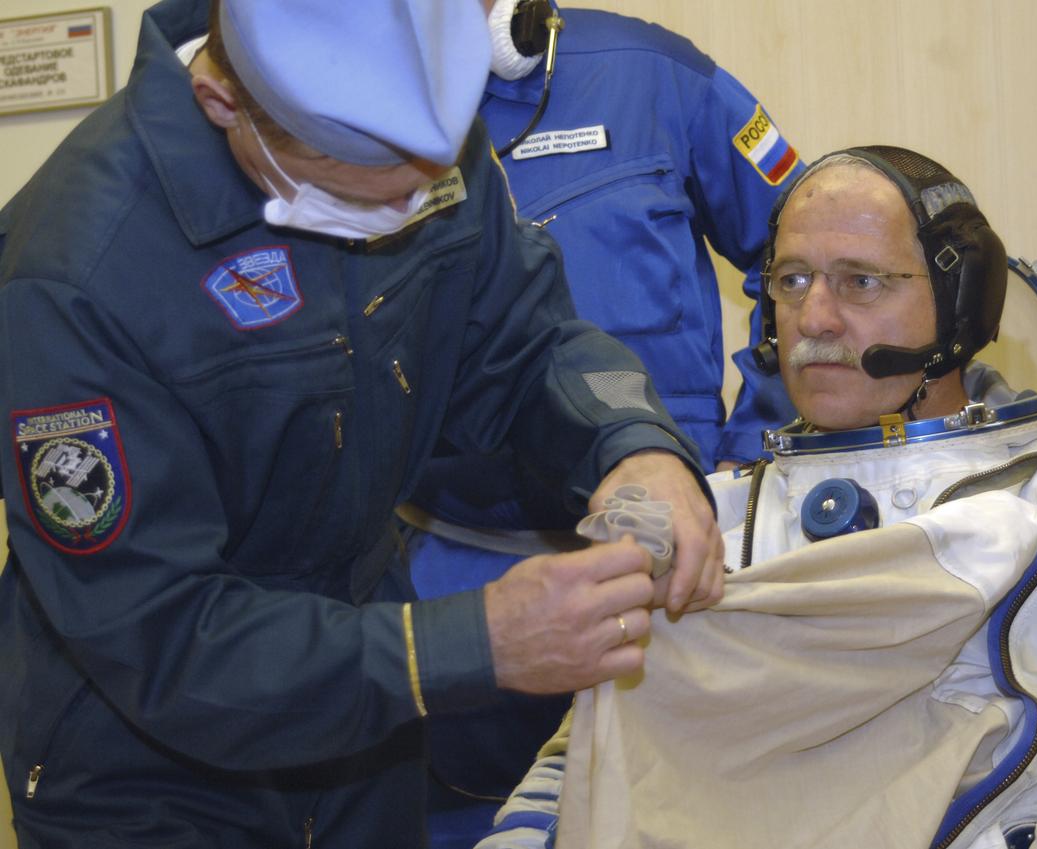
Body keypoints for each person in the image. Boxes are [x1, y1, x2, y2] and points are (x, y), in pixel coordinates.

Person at [0, 0, 727, 845]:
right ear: (226, 107)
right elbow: (160, 636)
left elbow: (526, 342)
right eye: (366, 188)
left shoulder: (418, 127)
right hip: (152, 768)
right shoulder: (71, 273)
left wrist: (630, 445)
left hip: (368, 736)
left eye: (431, 178)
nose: (415, 204)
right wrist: (460, 645)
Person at [473, 147, 1037, 849]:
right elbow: (584, 771)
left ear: (960, 305)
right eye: (792, 281)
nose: (814, 317)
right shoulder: (706, 525)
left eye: (861, 282)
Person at [402, 1, 801, 837]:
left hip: (668, 583)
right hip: (445, 580)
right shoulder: (363, 112)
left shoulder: (654, 75)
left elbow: (806, 255)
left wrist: (745, 465)